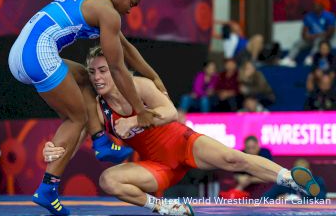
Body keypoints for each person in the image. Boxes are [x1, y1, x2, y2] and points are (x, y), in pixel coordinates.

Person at [43, 46, 320, 215]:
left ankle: (290, 179)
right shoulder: (96, 106)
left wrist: (136, 120)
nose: (97, 78)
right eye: (92, 73)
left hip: (182, 143)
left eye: (103, 70)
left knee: (234, 159)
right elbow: (79, 134)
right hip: (156, 166)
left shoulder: (138, 86)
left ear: (116, 70)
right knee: (108, 181)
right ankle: (167, 209)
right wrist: (55, 148)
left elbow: (171, 113)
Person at [8, 0, 167, 215]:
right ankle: (47, 189)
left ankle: (100, 142)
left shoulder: (98, 1)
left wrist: (154, 76)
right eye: (132, 3)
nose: (130, 11)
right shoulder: (108, 12)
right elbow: (118, 68)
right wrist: (140, 111)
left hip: (20, 54)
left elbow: (127, 48)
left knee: (84, 77)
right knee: (76, 118)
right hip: (36, 53)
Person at [280, 3, 336, 67]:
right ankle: (289, 59)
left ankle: (311, 58)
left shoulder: (329, 16)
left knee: (319, 41)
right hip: (310, 39)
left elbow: (330, 33)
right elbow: (303, 32)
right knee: (298, 43)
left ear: (322, 7)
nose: (315, 7)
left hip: (323, 39)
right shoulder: (308, 16)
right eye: (314, 6)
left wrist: (314, 36)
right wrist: (306, 37)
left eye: (317, 6)